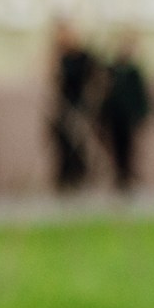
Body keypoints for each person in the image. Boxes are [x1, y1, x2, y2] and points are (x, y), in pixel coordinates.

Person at [50, 20, 102, 192]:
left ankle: (80, 177)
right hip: (63, 106)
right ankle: (65, 179)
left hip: (79, 106)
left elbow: (96, 77)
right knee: (62, 142)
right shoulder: (61, 57)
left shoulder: (84, 57)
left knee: (78, 144)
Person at [100, 35, 151, 194]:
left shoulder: (134, 72)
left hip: (129, 116)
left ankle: (129, 175)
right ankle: (120, 175)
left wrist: (141, 114)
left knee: (130, 148)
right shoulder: (112, 70)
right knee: (117, 147)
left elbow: (140, 95)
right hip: (115, 116)